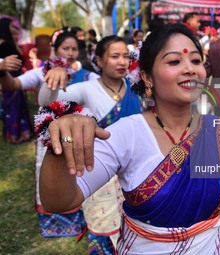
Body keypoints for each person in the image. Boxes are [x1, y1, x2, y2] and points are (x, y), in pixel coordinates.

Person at [38, 23, 220, 254]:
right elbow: (60, 200)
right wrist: (59, 145)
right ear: (146, 78)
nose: (189, 69)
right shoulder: (126, 133)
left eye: (196, 60)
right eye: (173, 62)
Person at [39, 35, 141, 253]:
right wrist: (54, 76)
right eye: (114, 56)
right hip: (99, 172)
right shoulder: (87, 88)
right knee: (102, 226)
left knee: (135, 227)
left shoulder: (136, 88)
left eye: (125, 56)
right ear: (99, 60)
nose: (122, 62)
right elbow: (47, 102)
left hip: (133, 171)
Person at [0, 28, 99, 238]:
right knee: (49, 174)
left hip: (79, 135)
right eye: (65, 48)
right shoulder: (42, 72)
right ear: (55, 49)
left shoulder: (87, 75)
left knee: (82, 171)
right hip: (50, 139)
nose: (70, 53)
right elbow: (14, 84)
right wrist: (2, 70)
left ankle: (87, 217)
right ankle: (56, 223)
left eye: (74, 48)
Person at [0, 17, 33, 144]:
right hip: (11, 79)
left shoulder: (8, 43)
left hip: (13, 79)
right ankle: (18, 134)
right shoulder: (6, 45)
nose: (15, 31)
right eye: (12, 27)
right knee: (15, 107)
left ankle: (12, 134)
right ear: (5, 28)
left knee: (11, 107)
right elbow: (19, 59)